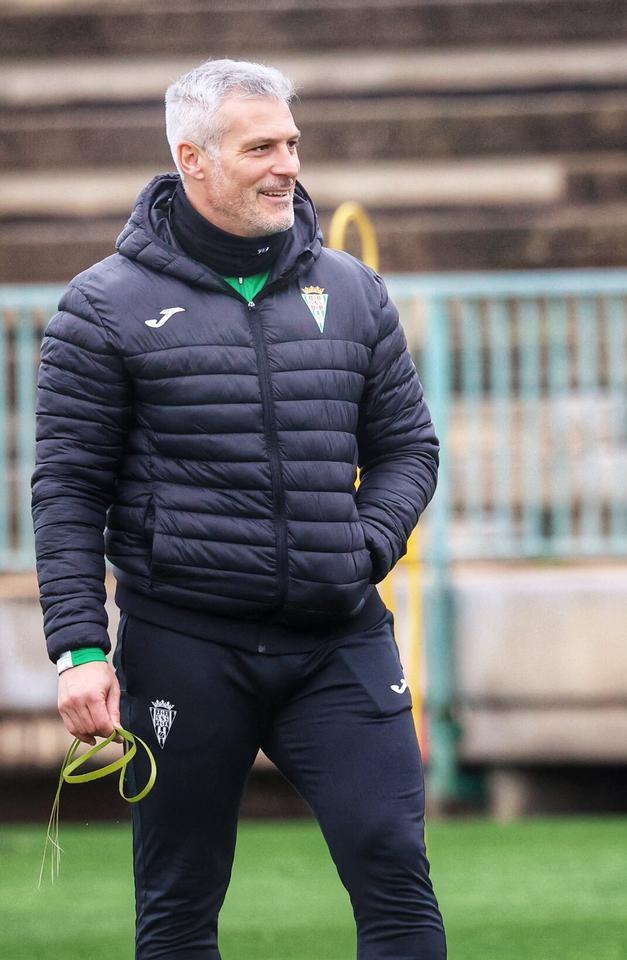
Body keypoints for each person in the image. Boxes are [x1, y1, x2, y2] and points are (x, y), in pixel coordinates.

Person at [34, 59, 446, 959]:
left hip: (337, 637)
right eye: (261, 147)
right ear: (193, 158)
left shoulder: (350, 289)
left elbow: (410, 448)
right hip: (185, 645)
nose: (288, 164)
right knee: (178, 911)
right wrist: (79, 648)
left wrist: (363, 546)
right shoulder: (103, 306)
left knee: (397, 879)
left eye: (292, 143)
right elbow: (68, 490)